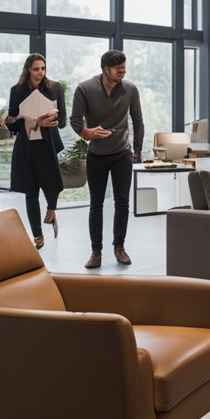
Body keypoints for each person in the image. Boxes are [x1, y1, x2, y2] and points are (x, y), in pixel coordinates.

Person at [70, 49, 144, 269]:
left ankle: (119, 248)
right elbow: (75, 120)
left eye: (124, 66)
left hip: (122, 154)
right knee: (96, 204)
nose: (123, 70)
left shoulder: (130, 89)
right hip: (97, 155)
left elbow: (138, 121)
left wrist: (137, 152)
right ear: (105, 70)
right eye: (118, 67)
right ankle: (96, 252)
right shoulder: (85, 88)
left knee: (123, 204)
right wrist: (86, 133)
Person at [5, 54, 65, 250]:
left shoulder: (55, 88)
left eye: (43, 68)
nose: (40, 72)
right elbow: (12, 120)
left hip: (48, 143)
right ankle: (38, 236)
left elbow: (62, 121)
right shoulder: (17, 90)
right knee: (30, 191)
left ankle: (51, 209)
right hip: (27, 144)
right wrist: (32, 121)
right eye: (36, 69)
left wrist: (52, 121)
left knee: (51, 182)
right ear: (28, 70)